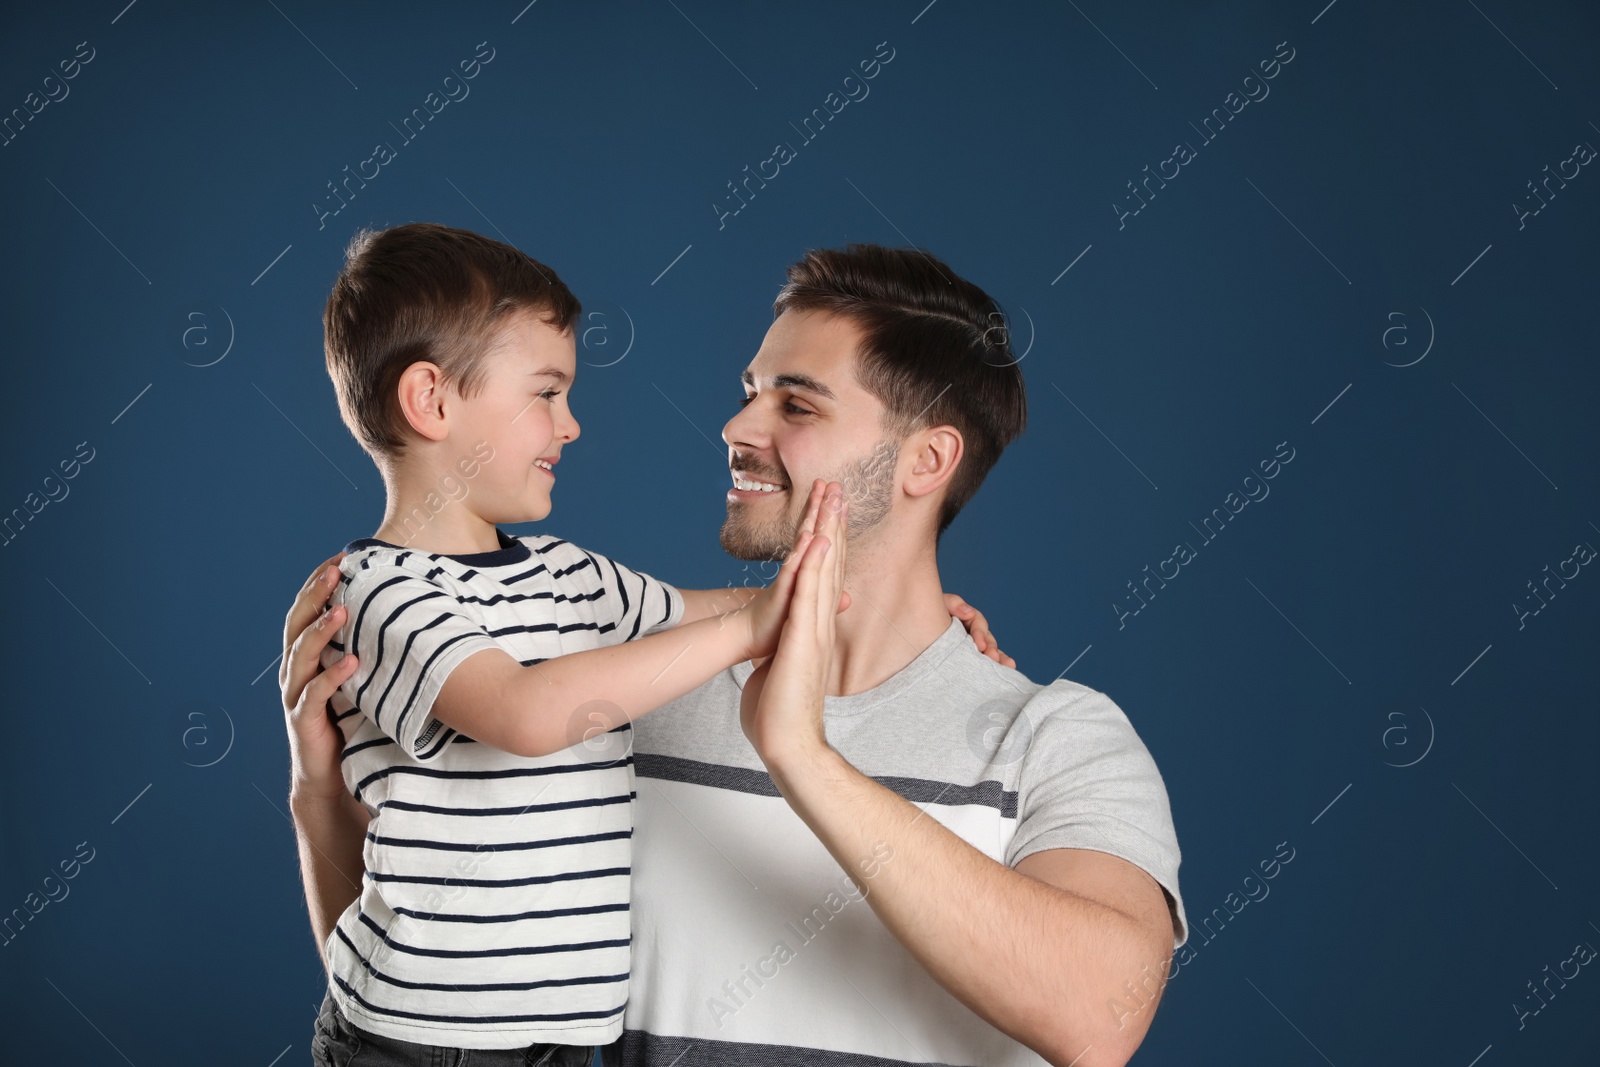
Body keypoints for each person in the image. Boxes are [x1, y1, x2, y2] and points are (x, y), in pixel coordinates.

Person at [284, 242, 1185, 1067]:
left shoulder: (1054, 737)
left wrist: (803, 754)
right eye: (750, 389)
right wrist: (322, 796)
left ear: (926, 460)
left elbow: (1101, 1015)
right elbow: (421, 969)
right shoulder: (618, 696)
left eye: (795, 402)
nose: (736, 425)